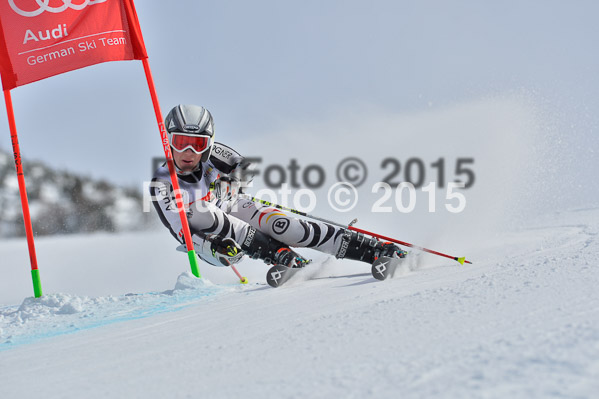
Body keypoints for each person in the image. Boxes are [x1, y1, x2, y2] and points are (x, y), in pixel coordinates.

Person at [150, 104, 406, 269]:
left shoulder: (214, 154)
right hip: (210, 241)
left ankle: (371, 249)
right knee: (201, 210)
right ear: (168, 140)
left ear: (208, 144)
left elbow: (245, 166)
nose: (188, 151)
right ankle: (277, 254)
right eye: (180, 141)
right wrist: (212, 245)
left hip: (231, 205)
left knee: (286, 227)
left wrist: (233, 182)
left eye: (197, 144)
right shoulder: (162, 183)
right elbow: (181, 232)